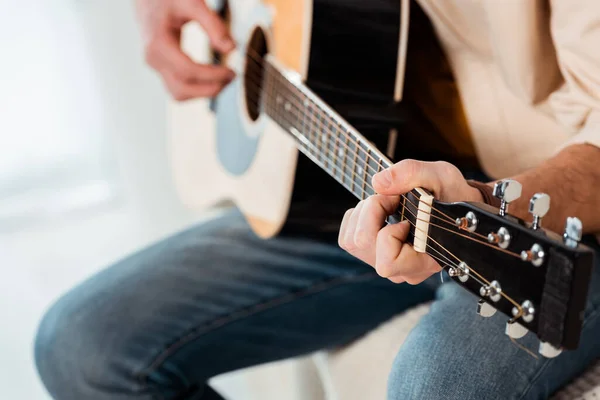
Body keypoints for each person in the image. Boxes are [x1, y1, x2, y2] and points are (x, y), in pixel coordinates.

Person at [34, 0, 600, 399]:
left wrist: (482, 199)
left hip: (533, 210)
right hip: (359, 168)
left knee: (431, 388)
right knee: (83, 348)